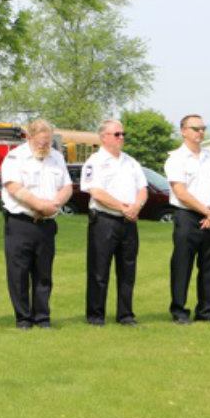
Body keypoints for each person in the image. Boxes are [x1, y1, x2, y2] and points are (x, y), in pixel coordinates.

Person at [0, 119, 73, 329]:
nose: (44, 146)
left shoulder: (57, 157)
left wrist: (55, 204)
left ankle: (42, 317)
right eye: (41, 142)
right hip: (21, 223)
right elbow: (14, 188)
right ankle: (23, 318)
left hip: (47, 224)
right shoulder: (15, 157)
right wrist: (39, 205)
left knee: (43, 273)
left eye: (48, 142)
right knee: (19, 273)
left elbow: (67, 186)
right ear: (29, 137)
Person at [81, 118, 149, 326]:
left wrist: (136, 206)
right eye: (117, 134)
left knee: (128, 270)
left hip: (128, 222)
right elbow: (96, 192)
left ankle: (126, 314)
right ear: (103, 137)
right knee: (99, 270)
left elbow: (143, 189)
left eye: (123, 134)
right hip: (104, 221)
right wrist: (123, 207)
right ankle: (96, 315)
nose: (121, 137)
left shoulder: (131, 162)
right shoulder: (94, 161)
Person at [164, 113, 210, 324]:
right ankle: (179, 311)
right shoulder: (176, 159)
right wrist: (207, 212)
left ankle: (207, 311)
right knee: (182, 265)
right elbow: (181, 192)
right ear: (183, 131)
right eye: (195, 128)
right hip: (187, 217)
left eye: (203, 128)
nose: (200, 132)